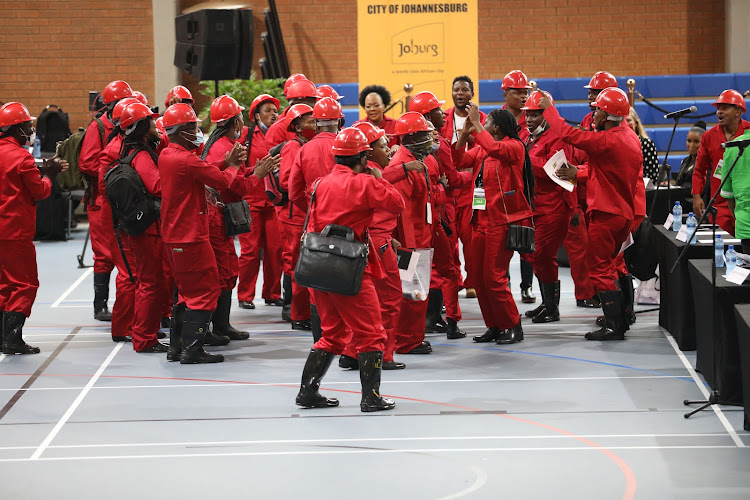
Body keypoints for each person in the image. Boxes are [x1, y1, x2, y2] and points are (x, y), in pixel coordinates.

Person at [295, 127, 405, 412]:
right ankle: (371, 397)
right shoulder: (365, 183)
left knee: (331, 333)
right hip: (349, 269)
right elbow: (397, 204)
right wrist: (380, 178)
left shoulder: (320, 184)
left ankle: (308, 391)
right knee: (371, 332)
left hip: (318, 268)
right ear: (364, 157)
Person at [541, 87, 642, 341]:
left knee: (599, 270)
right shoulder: (629, 137)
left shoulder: (606, 140)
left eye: (597, 109)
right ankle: (622, 318)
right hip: (622, 213)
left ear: (606, 115)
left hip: (606, 214)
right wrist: (579, 173)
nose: (593, 113)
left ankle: (614, 325)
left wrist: (548, 109)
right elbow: (608, 170)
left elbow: (567, 133)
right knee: (612, 267)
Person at [158, 104, 247, 364]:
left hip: (173, 235)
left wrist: (226, 162)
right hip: (191, 236)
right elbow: (222, 181)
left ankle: (177, 347)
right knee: (206, 291)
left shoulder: (168, 155)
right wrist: (233, 166)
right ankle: (192, 349)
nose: (198, 131)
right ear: (183, 131)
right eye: (193, 127)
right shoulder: (185, 159)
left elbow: (201, 169)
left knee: (185, 292)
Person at [453, 106, 533, 345]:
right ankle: (495, 325)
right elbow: (458, 160)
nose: (482, 125)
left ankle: (512, 325)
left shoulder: (514, 146)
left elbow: (494, 148)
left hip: (501, 221)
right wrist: (464, 136)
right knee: (477, 278)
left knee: (495, 278)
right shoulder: (481, 149)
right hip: (479, 220)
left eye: (486, 123)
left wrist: (476, 124)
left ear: (495, 128)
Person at [202, 95, 277, 342]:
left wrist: (253, 170)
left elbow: (232, 175)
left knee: (227, 269)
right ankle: (218, 327)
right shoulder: (225, 147)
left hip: (217, 216)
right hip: (217, 217)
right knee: (225, 271)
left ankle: (221, 325)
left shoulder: (218, 143)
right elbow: (235, 186)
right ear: (235, 122)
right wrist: (257, 175)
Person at [0, 102, 66, 354]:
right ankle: (12, 339)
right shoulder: (22, 157)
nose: (31, 130)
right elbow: (39, 191)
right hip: (15, 230)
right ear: (16, 129)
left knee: (4, 284)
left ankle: (2, 337)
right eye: (28, 126)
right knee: (25, 284)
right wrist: (49, 175)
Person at [409, 91, 472, 339]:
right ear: (427, 115)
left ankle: (429, 317)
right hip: (441, 212)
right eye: (437, 109)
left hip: (419, 215)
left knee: (425, 265)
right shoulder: (439, 144)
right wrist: (472, 174)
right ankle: (445, 319)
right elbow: (453, 179)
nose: (442, 113)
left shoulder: (408, 146)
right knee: (447, 267)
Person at [116, 102, 170, 353]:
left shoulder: (131, 152)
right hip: (147, 228)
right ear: (141, 128)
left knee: (148, 280)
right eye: (150, 121)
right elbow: (158, 187)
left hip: (140, 226)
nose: (155, 124)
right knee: (150, 282)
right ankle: (144, 338)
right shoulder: (142, 156)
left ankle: (143, 332)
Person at [521, 91, 579, 323]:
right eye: (528, 115)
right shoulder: (530, 137)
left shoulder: (558, 137)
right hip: (536, 206)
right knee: (536, 257)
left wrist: (522, 158)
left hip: (554, 207)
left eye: (535, 115)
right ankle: (547, 303)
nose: (529, 119)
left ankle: (552, 309)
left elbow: (555, 170)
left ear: (547, 114)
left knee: (543, 256)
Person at [385, 112, 439, 354]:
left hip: (420, 236)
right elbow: (402, 209)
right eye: (424, 135)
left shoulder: (416, 160)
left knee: (418, 292)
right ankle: (408, 341)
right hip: (412, 241)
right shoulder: (401, 164)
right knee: (413, 293)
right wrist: (411, 248)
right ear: (411, 137)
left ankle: (412, 337)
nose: (429, 139)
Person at [288, 97, 344, 333]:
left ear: (316, 122)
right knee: (346, 276)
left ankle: (321, 339)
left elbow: (292, 191)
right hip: (346, 221)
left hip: (316, 223)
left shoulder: (304, 149)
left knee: (317, 280)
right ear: (339, 120)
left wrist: (312, 208)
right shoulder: (345, 145)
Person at [80, 80, 134, 322]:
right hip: (101, 199)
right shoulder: (98, 128)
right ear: (111, 106)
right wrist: (115, 170)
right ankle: (99, 305)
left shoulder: (126, 126)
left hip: (122, 198)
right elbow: (87, 162)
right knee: (103, 255)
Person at [441, 76, 486, 299]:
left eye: (464, 90)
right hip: (449, 189)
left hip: (474, 190)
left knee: (471, 239)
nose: (460, 93)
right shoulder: (442, 120)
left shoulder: (483, 120)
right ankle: (455, 279)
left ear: (472, 94)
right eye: (456, 89)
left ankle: (472, 281)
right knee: (449, 240)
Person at [98, 96, 139, 343]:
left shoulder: (126, 146)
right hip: (118, 219)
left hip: (126, 216)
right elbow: (109, 188)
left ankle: (134, 322)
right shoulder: (114, 150)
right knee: (129, 273)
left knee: (135, 272)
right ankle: (122, 327)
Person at [237, 94, 283, 311]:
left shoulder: (282, 134)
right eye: (268, 110)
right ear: (256, 116)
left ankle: (272, 293)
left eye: (275, 111)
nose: (273, 114)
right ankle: (245, 295)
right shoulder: (246, 135)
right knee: (250, 251)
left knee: (275, 250)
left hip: (274, 202)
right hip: (251, 201)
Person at [277, 104, 316, 327]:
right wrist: (310, 195)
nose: (314, 124)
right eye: (310, 121)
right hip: (295, 216)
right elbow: (286, 181)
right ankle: (299, 316)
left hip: (304, 213)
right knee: (298, 266)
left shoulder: (308, 144)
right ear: (298, 126)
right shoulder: (293, 146)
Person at [692, 89, 750, 236]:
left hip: (745, 203)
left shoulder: (749, 132)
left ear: (738, 112)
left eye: (725, 108)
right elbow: (699, 170)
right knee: (721, 249)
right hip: (719, 205)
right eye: (718, 108)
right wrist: (697, 196)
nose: (719, 112)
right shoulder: (708, 137)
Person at [501, 70, 535, 304]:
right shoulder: (494, 120)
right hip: (501, 189)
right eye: (518, 92)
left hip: (526, 188)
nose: (523, 97)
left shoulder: (532, 119)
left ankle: (527, 287)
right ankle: (505, 284)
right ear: (506, 93)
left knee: (526, 240)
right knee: (501, 241)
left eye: (526, 93)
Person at [266, 78, 317, 149]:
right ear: (293, 104)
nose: (310, 109)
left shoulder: (319, 122)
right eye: (306, 104)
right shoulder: (277, 129)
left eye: (313, 104)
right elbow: (275, 157)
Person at [721, 127, 750, 253]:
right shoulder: (735, 146)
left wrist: (740, 216)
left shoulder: (733, 147)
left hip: (745, 224)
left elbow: (728, 194)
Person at [671, 122, 707, 192]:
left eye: (696, 141)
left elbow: (704, 188)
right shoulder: (685, 161)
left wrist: (682, 188)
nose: (691, 145)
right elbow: (679, 183)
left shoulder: (707, 162)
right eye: (689, 141)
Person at [626, 107, 659, 182]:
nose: (626, 124)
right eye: (623, 121)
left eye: (628, 120)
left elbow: (652, 176)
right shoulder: (615, 144)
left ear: (636, 123)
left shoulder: (646, 144)